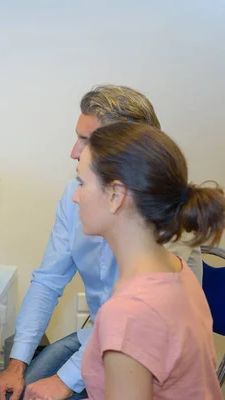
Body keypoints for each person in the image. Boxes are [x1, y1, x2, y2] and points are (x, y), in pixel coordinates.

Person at [0, 85, 202, 400]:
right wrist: (16, 363)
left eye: (87, 142)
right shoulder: (143, 262)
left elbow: (125, 330)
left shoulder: (142, 297)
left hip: (121, 343)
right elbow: (48, 281)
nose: (74, 151)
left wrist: (65, 381)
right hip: (101, 335)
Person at [77, 121, 223, 398]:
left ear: (116, 195)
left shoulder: (128, 313)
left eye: (81, 183)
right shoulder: (176, 270)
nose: (75, 196)